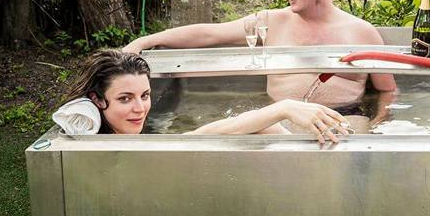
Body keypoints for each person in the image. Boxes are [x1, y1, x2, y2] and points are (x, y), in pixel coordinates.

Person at [123, 0, 396, 112]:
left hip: (344, 117)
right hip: (280, 117)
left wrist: (378, 124)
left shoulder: (362, 32)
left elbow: (388, 91)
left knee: (357, 161)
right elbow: (210, 33)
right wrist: (144, 41)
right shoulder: (270, 22)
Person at [56, 49, 350, 145]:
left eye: (144, 95)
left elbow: (193, 138)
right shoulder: (96, 148)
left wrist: (281, 110)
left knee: (264, 127)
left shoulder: (117, 137)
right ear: (97, 100)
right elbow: (191, 140)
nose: (139, 108)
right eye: (124, 99)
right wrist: (282, 108)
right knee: (263, 126)